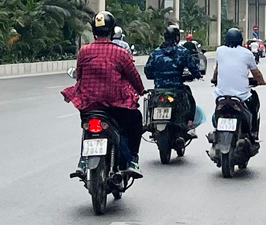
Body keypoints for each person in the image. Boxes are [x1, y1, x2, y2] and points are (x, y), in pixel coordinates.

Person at [62, 11, 146, 179]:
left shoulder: (84, 52)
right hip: (117, 106)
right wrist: (141, 90)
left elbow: (79, 76)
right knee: (135, 119)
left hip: (89, 105)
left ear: (94, 31)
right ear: (112, 30)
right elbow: (134, 77)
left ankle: (82, 162)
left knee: (87, 128)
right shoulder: (121, 53)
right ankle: (132, 161)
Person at [144, 24, 202, 138]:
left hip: (159, 89)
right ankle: (189, 124)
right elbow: (194, 68)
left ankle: (151, 122)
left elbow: (147, 71)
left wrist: (157, 76)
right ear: (177, 37)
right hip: (177, 89)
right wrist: (196, 75)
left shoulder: (155, 53)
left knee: (151, 101)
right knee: (190, 101)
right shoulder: (182, 51)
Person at [211, 28, 266, 141]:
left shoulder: (220, 51)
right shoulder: (247, 53)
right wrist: (262, 81)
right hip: (241, 96)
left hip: (221, 96)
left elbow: (217, 70)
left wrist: (214, 79)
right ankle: (254, 131)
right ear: (241, 40)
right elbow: (256, 73)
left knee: (217, 109)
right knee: (254, 101)